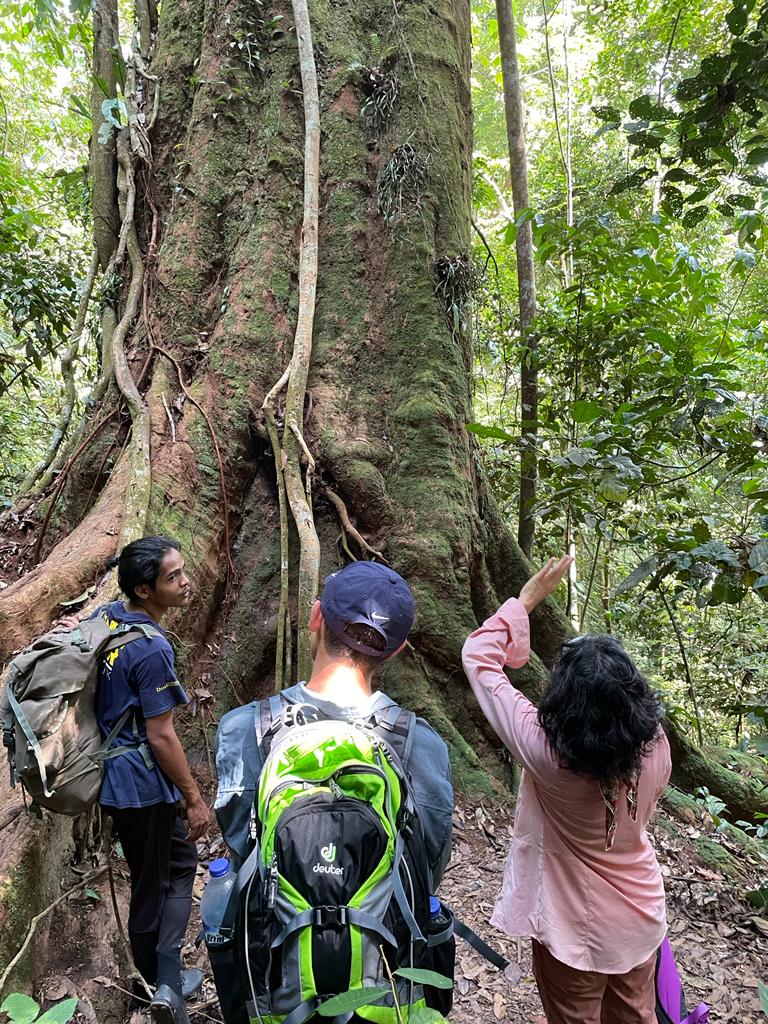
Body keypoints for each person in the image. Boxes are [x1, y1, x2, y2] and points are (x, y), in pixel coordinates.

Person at [212, 560, 454, 1024]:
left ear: (316, 617)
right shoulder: (418, 743)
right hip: (379, 972)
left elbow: (246, 845)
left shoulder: (245, 727)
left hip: (276, 976)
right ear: (397, 650)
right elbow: (428, 863)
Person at [462, 556, 671, 1024]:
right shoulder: (656, 746)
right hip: (639, 915)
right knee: (637, 1015)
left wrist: (526, 600)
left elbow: (478, 658)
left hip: (572, 928)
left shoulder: (543, 751)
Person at [94, 536, 209, 1024]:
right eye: (173, 577)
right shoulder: (151, 650)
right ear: (144, 590)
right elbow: (162, 736)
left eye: (182, 571)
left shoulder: (107, 617)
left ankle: (159, 980)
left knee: (169, 868)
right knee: (158, 880)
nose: (186, 582)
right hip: (142, 783)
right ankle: (160, 987)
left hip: (114, 777)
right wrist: (194, 798)